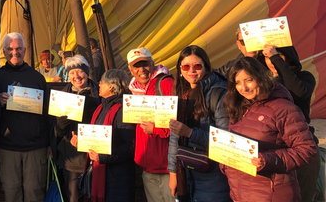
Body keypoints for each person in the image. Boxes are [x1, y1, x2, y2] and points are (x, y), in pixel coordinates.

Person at [222, 57, 317, 202]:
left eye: (249, 80)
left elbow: (307, 150)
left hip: (273, 194)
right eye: (238, 83)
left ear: (260, 77)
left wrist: (268, 160)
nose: (244, 88)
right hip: (241, 193)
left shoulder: (283, 109)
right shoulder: (238, 108)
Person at [166, 45, 230, 202]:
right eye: (186, 66)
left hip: (214, 173)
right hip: (187, 171)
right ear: (180, 69)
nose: (191, 71)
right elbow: (175, 136)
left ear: (206, 67)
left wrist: (189, 133)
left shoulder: (218, 93)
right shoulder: (181, 93)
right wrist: (173, 172)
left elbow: (226, 141)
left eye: (197, 66)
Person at [0, 32, 50, 202]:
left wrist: (49, 144)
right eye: (10, 49)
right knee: (11, 194)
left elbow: (47, 114)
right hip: (7, 147)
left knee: (35, 193)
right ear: (4, 51)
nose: (14, 52)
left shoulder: (37, 78)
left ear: (25, 50)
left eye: (18, 48)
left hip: (35, 148)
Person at [261, 44, 319, 202]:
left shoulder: (304, 77)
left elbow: (298, 91)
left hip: (301, 146)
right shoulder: (261, 82)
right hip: (274, 150)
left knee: (304, 195)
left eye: (278, 54)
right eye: (267, 56)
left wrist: (276, 59)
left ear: (289, 56)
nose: (271, 60)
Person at [69, 69, 136, 201]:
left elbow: (130, 145)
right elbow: (96, 136)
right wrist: (80, 140)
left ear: (111, 86)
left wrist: (105, 157)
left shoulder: (123, 109)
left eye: (102, 82)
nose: (98, 85)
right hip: (101, 171)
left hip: (117, 177)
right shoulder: (101, 107)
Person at [127, 47, 174, 202]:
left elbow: (176, 122)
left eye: (145, 64)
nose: (142, 70)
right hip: (148, 167)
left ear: (153, 63)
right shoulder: (135, 91)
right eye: (136, 66)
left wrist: (155, 129)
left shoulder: (165, 83)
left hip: (166, 167)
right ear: (130, 69)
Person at [55, 55, 100, 202]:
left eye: (80, 71)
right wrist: (62, 122)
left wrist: (85, 138)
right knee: (73, 197)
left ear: (86, 72)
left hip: (95, 156)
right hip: (71, 158)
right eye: (72, 73)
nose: (76, 76)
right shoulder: (62, 96)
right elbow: (57, 132)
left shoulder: (99, 94)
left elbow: (105, 123)